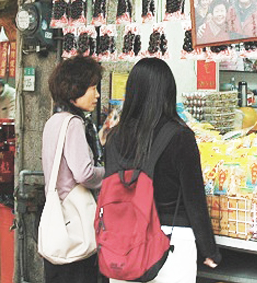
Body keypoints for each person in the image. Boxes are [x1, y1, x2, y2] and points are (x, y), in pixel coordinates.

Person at [105, 58, 219, 283]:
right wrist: (209, 250)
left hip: (124, 244)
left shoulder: (114, 137)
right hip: (172, 242)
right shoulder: (180, 136)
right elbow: (193, 199)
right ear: (168, 92)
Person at [42, 56, 105, 283]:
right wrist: (108, 173)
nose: (97, 95)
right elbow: (84, 173)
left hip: (58, 218)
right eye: (92, 88)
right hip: (75, 219)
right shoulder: (74, 123)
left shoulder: (54, 121)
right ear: (75, 88)